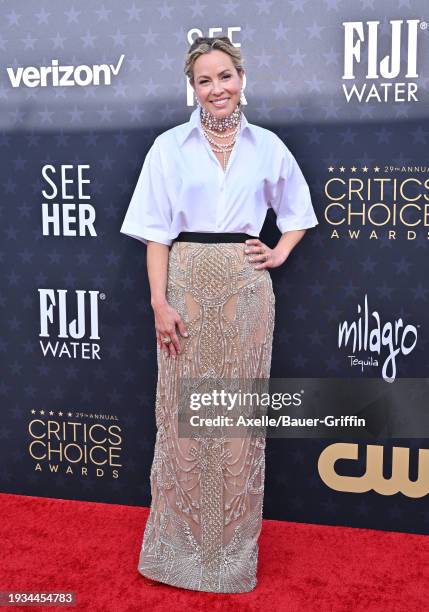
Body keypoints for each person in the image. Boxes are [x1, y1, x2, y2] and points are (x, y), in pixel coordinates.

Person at [120, 36, 318, 593]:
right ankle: (175, 554)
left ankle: (228, 559)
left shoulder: (268, 145)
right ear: (193, 87)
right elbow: (155, 235)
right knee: (182, 422)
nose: (217, 89)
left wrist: (279, 251)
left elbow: (298, 211)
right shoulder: (169, 147)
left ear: (242, 78)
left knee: (235, 424)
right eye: (205, 80)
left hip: (246, 291)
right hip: (183, 282)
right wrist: (159, 302)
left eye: (225, 76)